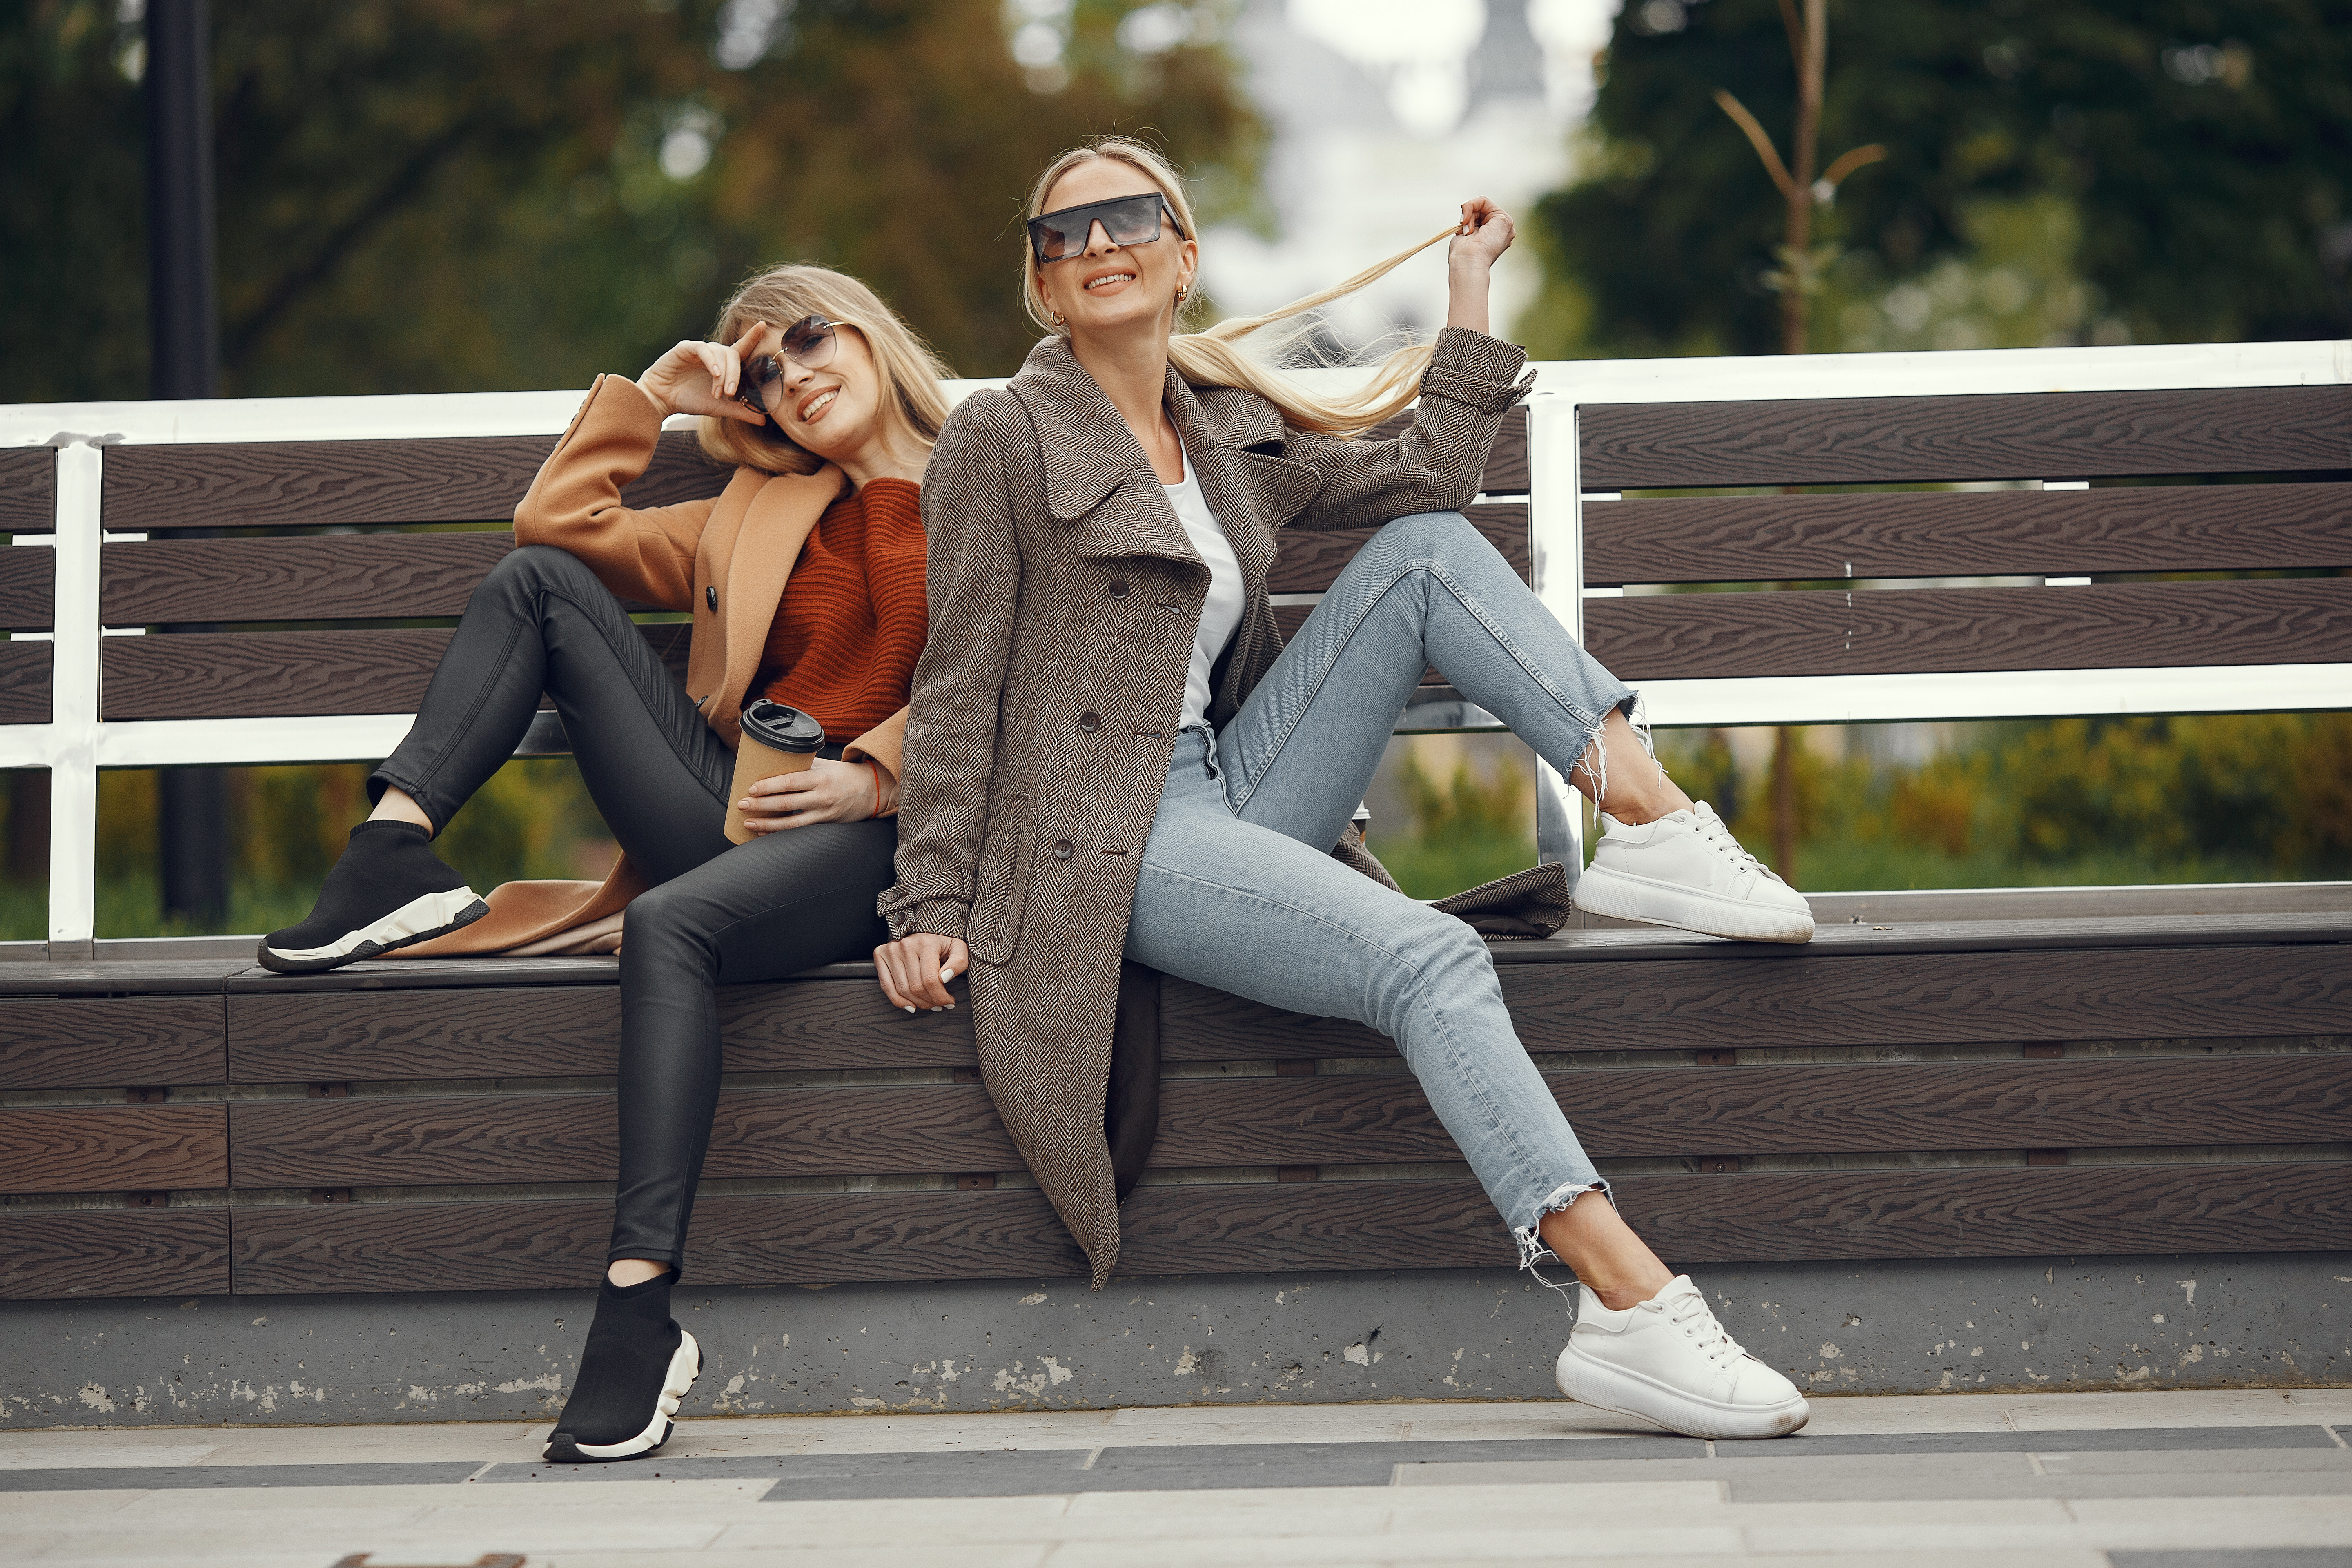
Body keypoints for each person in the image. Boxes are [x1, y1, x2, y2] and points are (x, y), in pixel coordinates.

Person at [872, 138, 1816, 1441]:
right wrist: (927, 898)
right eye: (1060, 235)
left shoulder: (1216, 432)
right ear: (1041, 284)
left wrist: (1467, 285)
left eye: (1126, 218)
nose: (1094, 246)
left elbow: (1431, 478)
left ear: (1183, 253)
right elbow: (960, 676)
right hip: (1106, 842)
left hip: (1227, 786)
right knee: (1429, 961)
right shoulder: (1002, 433)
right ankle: (1625, 1307)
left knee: (1425, 553)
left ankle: (1647, 820)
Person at [258, 265, 951, 1463]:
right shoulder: (753, 511)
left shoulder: (980, 477)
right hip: (738, 815)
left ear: (868, 331)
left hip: (881, 845)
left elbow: (1019, 673)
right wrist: (661, 396)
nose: (795, 374)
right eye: (767, 372)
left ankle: (636, 1314)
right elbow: (559, 531)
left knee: (670, 926)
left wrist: (876, 775)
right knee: (537, 586)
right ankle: (390, 854)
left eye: (808, 336)